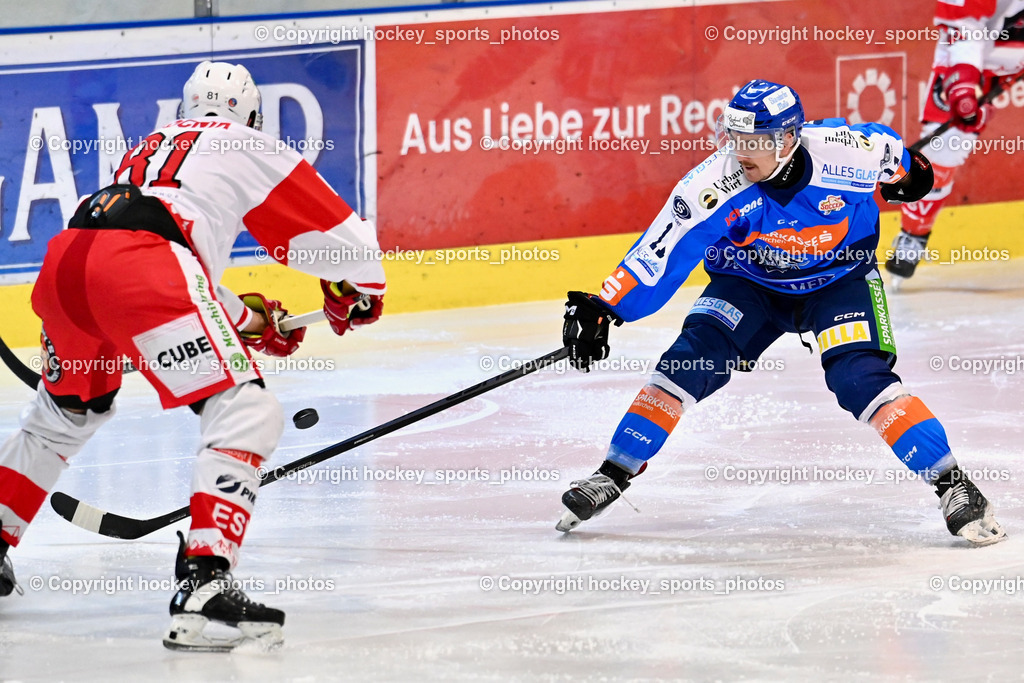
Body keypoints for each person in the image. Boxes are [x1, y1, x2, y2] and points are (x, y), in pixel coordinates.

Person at [0, 61, 386, 651]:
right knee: (247, 411)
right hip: (140, 269)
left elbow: (154, 251)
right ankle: (206, 583)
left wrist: (253, 319)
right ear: (251, 116)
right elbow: (345, 240)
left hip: (69, 265)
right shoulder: (245, 140)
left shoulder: (146, 149)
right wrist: (359, 291)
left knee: (64, 416)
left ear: (183, 111)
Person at [557, 79, 1006, 547]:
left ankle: (953, 486)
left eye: (754, 142)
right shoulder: (713, 184)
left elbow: (908, 170)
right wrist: (605, 306)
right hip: (750, 284)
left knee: (860, 379)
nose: (741, 152)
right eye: (735, 138)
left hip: (840, 281)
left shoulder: (850, 152)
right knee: (687, 362)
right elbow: (659, 253)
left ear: (788, 139)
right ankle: (613, 472)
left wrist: (913, 177)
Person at [885, 0, 1024, 284]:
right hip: (973, 55)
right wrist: (962, 85)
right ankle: (914, 232)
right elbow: (964, 26)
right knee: (944, 149)